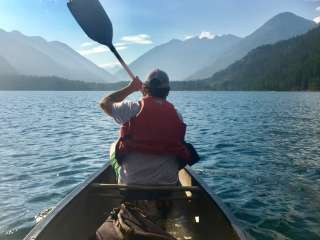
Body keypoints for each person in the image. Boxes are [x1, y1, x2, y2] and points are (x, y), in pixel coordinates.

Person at [99, 69, 197, 185]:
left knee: (113, 146)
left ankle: (122, 186)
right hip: (167, 185)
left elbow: (104, 103)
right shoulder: (177, 115)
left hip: (132, 185)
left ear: (145, 88)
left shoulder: (131, 109)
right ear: (167, 91)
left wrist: (130, 88)